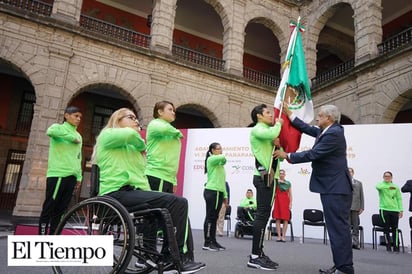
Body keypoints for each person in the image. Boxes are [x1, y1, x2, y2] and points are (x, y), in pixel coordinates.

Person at [94, 108, 205, 273]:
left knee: (178, 207)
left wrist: (154, 197)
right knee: (177, 202)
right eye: (131, 117)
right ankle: (173, 260)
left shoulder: (134, 150)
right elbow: (132, 136)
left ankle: (175, 258)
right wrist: (140, 142)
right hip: (114, 194)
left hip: (132, 193)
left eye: (136, 118)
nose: (136, 121)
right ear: (117, 120)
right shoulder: (107, 135)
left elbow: (141, 180)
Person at [273, 104, 354, 274]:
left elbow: (313, 154)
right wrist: (290, 114)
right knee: (336, 229)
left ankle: (345, 268)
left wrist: (287, 155)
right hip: (332, 187)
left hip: (336, 188)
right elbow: (306, 128)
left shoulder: (334, 133)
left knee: (338, 229)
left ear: (329, 118)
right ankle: (341, 264)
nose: (317, 118)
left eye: (320, 115)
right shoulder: (326, 131)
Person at [247, 104, 282, 271]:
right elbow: (274, 132)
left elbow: (276, 151)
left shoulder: (267, 133)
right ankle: (254, 256)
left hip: (271, 177)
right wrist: (280, 123)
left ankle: (259, 252)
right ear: (259, 116)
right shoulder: (257, 129)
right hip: (263, 179)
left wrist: (278, 145)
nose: (272, 115)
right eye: (268, 113)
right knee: (261, 216)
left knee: (265, 215)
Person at [38, 106, 83, 235]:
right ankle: (41, 238)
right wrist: (70, 137)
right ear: (66, 116)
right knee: (49, 207)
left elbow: (78, 156)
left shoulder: (79, 136)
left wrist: (79, 177)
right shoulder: (58, 128)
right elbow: (49, 131)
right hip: (58, 174)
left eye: (80, 117)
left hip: (72, 176)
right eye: (76, 116)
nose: (78, 119)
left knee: (62, 210)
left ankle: (54, 237)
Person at [145, 100, 183, 193]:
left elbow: (173, 159)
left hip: (168, 178)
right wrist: (178, 132)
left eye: (174, 110)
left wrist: (174, 181)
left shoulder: (170, 130)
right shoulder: (155, 124)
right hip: (156, 175)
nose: (173, 113)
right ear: (160, 112)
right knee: (157, 207)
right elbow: (164, 129)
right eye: (170, 109)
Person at [202, 142, 228, 251]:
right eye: (218, 149)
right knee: (210, 217)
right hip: (212, 191)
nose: (220, 150)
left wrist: (225, 196)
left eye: (221, 148)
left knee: (215, 218)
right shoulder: (211, 159)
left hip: (219, 192)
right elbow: (223, 157)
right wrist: (221, 155)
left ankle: (213, 241)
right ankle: (207, 243)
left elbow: (222, 181)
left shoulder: (219, 164)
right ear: (212, 150)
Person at [376, 171, 403, 253]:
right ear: (383, 177)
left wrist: (401, 209)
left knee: (395, 228)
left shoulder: (396, 187)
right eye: (385, 176)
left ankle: (396, 246)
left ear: (391, 177)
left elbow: (399, 198)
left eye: (388, 176)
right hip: (384, 209)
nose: (387, 178)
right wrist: (388, 186)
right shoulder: (381, 185)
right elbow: (378, 187)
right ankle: (388, 246)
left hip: (394, 209)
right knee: (386, 228)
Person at [272, 169, 292, 242]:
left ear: (285, 175)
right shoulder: (276, 182)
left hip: (285, 201)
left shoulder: (288, 183)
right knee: (277, 219)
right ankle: (279, 236)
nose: (281, 175)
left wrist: (290, 203)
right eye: (280, 173)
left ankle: (283, 236)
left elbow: (290, 194)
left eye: (283, 174)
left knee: (285, 219)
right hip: (277, 201)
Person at [348, 167, 364, 250]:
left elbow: (361, 195)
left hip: (356, 207)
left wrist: (362, 207)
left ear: (353, 173)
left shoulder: (359, 183)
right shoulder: (343, 182)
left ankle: (355, 243)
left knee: (355, 226)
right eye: (348, 172)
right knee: (346, 226)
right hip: (346, 207)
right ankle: (347, 243)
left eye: (351, 172)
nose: (349, 173)